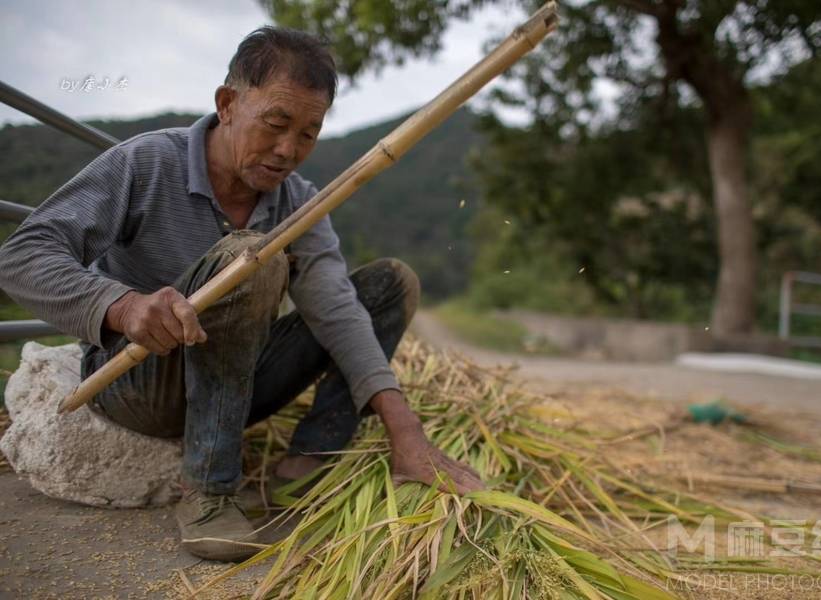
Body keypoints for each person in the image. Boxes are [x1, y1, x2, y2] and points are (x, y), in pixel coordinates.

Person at [0, 27, 483, 562]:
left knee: (389, 285)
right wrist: (123, 306)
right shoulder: (145, 164)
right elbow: (22, 256)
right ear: (227, 104)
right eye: (276, 124)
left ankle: (312, 455)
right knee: (251, 258)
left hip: (237, 387)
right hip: (140, 383)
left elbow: (338, 309)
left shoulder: (298, 202)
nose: (287, 151)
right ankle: (208, 491)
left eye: (308, 134)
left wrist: (405, 428)